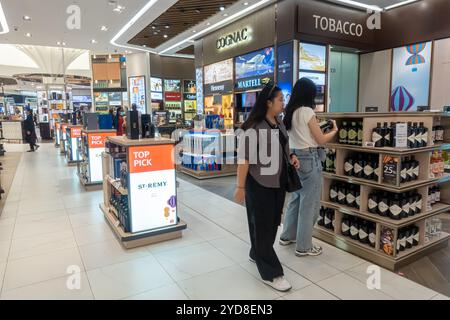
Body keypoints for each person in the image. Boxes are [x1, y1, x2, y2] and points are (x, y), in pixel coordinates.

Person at [234, 84, 300, 292]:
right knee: (262, 225)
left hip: (278, 182)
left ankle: (257, 252)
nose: (284, 102)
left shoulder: (278, 122)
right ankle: (271, 272)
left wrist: (291, 157)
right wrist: (240, 187)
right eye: (280, 99)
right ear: (268, 102)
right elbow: (244, 160)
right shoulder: (253, 127)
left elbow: (284, 147)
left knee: (272, 223)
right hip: (259, 183)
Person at [280, 78, 338, 256]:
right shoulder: (307, 111)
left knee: (297, 199)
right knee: (310, 204)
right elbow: (320, 140)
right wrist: (333, 131)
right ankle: (304, 246)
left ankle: (287, 236)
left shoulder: (290, 112)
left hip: (295, 156)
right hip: (309, 158)